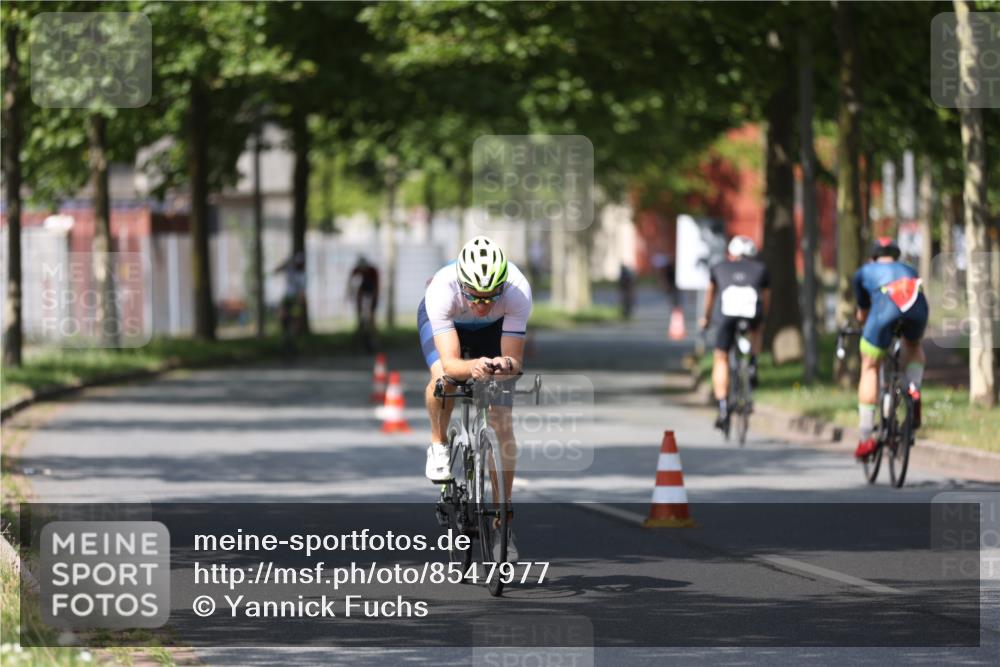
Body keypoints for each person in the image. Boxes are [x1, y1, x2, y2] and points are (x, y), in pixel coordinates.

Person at [418, 236, 532, 560]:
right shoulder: (442, 290)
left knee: (502, 421)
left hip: (494, 331)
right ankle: (439, 445)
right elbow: (453, 364)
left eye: (490, 297)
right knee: (444, 380)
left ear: (503, 286)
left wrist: (504, 365)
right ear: (462, 284)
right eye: (475, 296)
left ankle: (503, 524)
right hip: (447, 325)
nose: (481, 305)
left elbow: (514, 361)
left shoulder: (518, 291)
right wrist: (473, 366)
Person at [851, 237, 928, 460]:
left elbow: (863, 313)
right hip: (917, 310)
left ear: (873, 256)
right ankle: (913, 388)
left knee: (870, 366)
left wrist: (866, 327)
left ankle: (865, 437)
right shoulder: (909, 269)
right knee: (913, 345)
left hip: (884, 312)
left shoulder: (865, 271)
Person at [699, 236, 770, 431]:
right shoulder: (761, 269)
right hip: (752, 313)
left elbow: (710, 294)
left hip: (727, 316)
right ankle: (753, 363)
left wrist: (705, 318)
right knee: (758, 330)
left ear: (730, 254)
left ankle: (722, 407)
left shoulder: (719, 267)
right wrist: (763, 320)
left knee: (720, 357)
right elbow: (766, 298)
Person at [348, 255, 379, 334]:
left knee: (371, 316)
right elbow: (351, 284)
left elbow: (376, 286)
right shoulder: (356, 270)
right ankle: (361, 331)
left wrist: (374, 297)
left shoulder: (372, 271)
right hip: (362, 296)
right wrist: (350, 294)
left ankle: (373, 333)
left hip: (371, 294)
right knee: (360, 315)